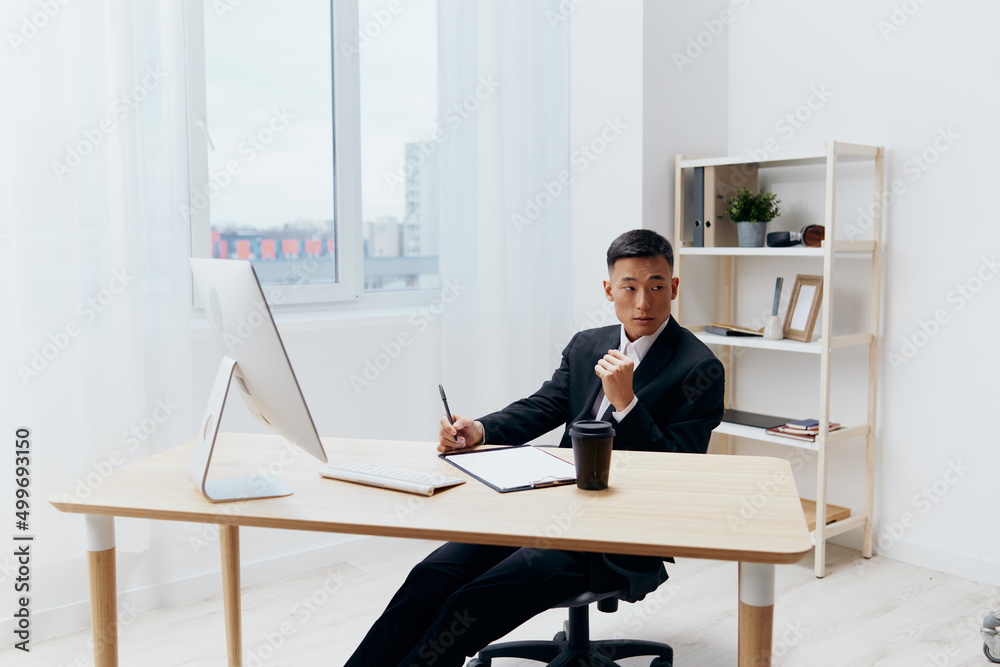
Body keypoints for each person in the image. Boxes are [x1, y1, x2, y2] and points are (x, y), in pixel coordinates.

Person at [345, 229, 725, 667]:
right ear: (609, 291)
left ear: (673, 288)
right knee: (430, 576)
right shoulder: (587, 345)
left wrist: (628, 403)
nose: (644, 302)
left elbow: (679, 469)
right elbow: (543, 406)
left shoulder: (699, 367)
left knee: (470, 603)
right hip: (546, 507)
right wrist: (480, 430)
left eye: (657, 286)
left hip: (619, 534)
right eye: (630, 287)